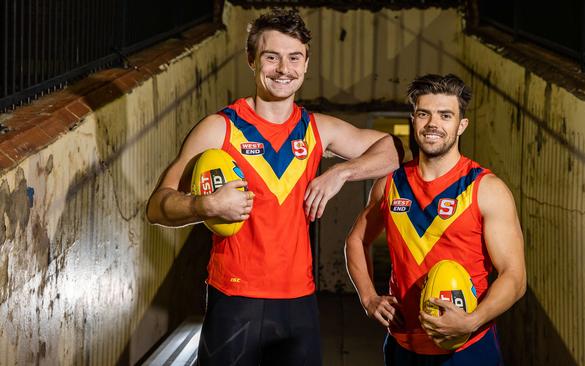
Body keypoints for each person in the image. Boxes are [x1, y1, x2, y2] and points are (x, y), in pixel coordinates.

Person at [145, 8, 399, 366]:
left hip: (299, 303)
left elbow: (393, 150)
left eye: (294, 57)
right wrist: (202, 206)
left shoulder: (317, 130)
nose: (284, 69)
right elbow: (157, 206)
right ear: (252, 60)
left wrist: (341, 172)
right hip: (234, 298)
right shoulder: (220, 129)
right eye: (271, 57)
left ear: (306, 63)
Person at [345, 74, 526, 365]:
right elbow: (356, 239)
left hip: (466, 347)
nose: (433, 124)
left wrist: (471, 320)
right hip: (402, 344)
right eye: (423, 114)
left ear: (461, 125)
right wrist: (368, 298)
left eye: (445, 115)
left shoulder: (486, 189)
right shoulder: (390, 184)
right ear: (413, 119)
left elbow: (514, 277)